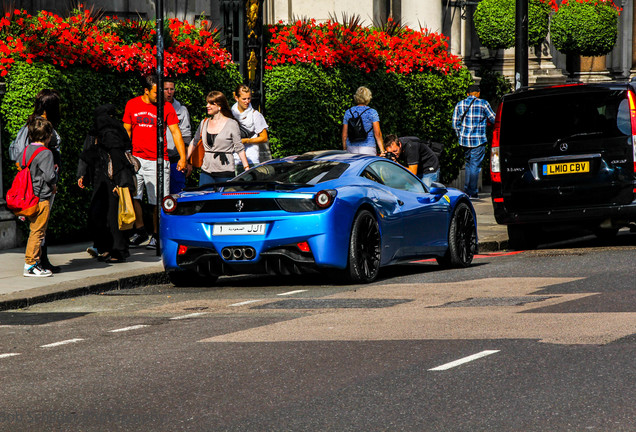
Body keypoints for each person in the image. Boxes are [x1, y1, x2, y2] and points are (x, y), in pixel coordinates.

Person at [123, 75, 187, 250]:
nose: (161, 96)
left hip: (158, 160)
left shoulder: (166, 107)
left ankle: (157, 235)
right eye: (156, 93)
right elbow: (126, 130)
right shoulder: (132, 104)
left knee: (158, 200)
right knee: (134, 195)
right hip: (136, 159)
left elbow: (175, 132)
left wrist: (182, 157)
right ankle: (140, 230)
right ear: (146, 90)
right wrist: (124, 155)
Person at [9, 89, 63, 273]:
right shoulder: (40, 126)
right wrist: (52, 179)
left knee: (38, 227)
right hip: (41, 187)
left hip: (39, 185)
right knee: (39, 227)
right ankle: (35, 263)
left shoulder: (35, 124)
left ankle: (38, 261)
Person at [77, 104, 137, 263]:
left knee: (113, 218)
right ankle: (105, 248)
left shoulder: (110, 133)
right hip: (101, 180)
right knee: (100, 215)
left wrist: (120, 183)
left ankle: (118, 251)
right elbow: (89, 154)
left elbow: (118, 159)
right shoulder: (101, 131)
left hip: (112, 182)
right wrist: (83, 175)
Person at [187, 91, 250, 186]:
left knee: (223, 200)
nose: (207, 106)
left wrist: (247, 168)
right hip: (206, 170)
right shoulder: (204, 123)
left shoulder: (231, 124)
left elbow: (239, 148)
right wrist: (184, 160)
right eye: (207, 103)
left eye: (211, 103)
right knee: (205, 199)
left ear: (219, 106)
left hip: (225, 171)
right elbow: (194, 142)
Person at [21, 116, 57, 277]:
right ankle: (31, 264)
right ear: (48, 136)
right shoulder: (46, 153)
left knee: (34, 231)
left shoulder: (27, 150)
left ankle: (35, 263)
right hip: (41, 197)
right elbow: (50, 176)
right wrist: (55, 177)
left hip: (28, 197)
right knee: (38, 232)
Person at [452, 84, 496, 199]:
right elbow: (493, 118)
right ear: (478, 93)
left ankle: (467, 192)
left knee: (468, 164)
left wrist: (460, 136)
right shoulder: (483, 103)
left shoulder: (459, 104)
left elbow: (455, 123)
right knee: (475, 166)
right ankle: (473, 192)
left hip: (464, 141)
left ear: (468, 94)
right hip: (478, 140)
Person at [231, 84, 270, 172]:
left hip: (251, 160)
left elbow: (264, 138)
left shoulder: (255, 115)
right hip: (233, 160)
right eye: (244, 99)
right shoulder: (230, 114)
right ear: (236, 98)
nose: (247, 101)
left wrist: (246, 140)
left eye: (249, 98)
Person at [164, 78, 192, 193]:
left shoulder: (181, 110)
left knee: (177, 192)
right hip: (158, 158)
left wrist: (187, 161)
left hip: (176, 159)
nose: (169, 92)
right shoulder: (154, 108)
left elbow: (186, 138)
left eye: (171, 89)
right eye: (166, 89)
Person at [342, 86, 385, 155]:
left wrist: (345, 149)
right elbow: (377, 134)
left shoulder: (348, 112)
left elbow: (344, 135)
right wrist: (382, 150)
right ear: (368, 97)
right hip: (368, 147)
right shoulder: (372, 112)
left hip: (351, 147)